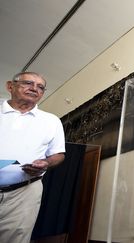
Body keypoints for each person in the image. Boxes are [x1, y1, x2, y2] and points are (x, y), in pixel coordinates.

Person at [0, 72, 66, 242]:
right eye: (28, 83)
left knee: (15, 238)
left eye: (40, 87)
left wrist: (45, 162)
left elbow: (58, 154)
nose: (34, 89)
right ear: (10, 86)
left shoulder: (51, 121)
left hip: (24, 192)